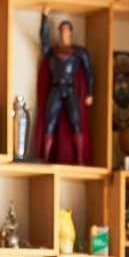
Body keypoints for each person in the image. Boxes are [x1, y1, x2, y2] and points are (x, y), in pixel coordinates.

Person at [35, 10, 93, 165]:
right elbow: (44, 41)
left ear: (71, 33)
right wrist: (44, 17)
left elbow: (89, 71)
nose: (64, 34)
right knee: (50, 122)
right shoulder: (53, 52)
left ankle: (80, 159)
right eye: (61, 31)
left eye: (66, 31)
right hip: (56, 87)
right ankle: (46, 158)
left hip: (70, 87)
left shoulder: (79, 52)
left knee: (76, 121)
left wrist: (90, 92)